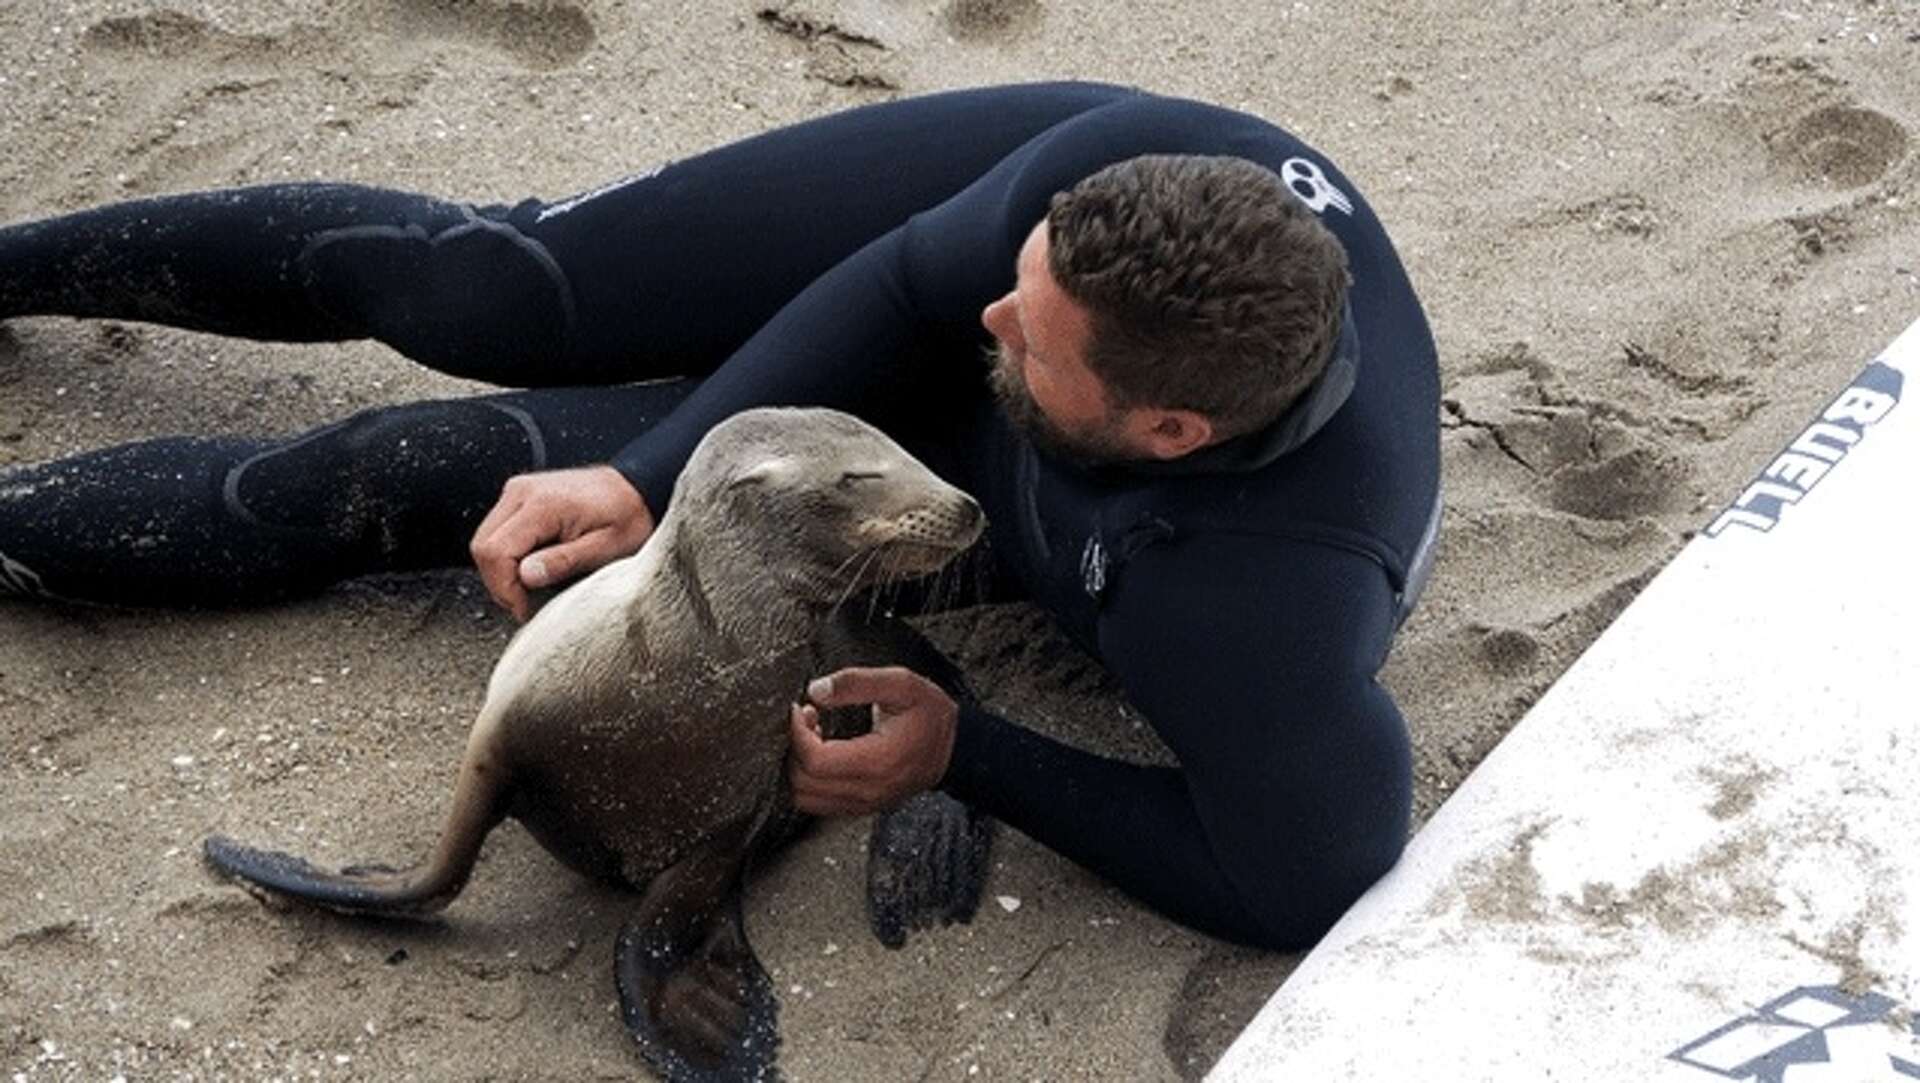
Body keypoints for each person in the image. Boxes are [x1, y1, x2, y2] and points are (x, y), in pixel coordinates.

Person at [0, 81, 1440, 950]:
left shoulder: (1256, 605)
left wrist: (968, 752)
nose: (988, 318)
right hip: (1055, 279)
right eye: (1019, 280)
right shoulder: (1116, 191)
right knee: (487, 291)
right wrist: (651, 473)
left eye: (1029, 335)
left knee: (418, 466)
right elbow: (909, 288)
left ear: (1171, 432)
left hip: (984, 478)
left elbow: (1297, 880)